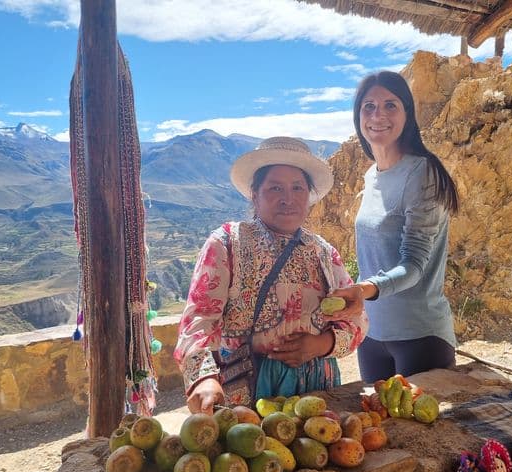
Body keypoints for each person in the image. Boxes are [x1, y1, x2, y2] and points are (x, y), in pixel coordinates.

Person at [175, 136, 368, 415]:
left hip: (317, 391)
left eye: (297, 188)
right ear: (255, 193)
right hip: (247, 393)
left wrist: (320, 345)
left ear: (309, 196)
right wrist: (203, 378)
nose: (288, 199)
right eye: (275, 187)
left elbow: (357, 321)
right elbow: (199, 319)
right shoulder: (228, 243)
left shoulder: (324, 253)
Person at [327, 70, 459, 383]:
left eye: (390, 105)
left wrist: (364, 289)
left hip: (420, 337)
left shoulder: (423, 173)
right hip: (372, 334)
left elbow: (414, 265)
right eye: (368, 107)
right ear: (358, 115)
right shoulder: (371, 176)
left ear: (407, 113)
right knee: (376, 429)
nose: (378, 115)